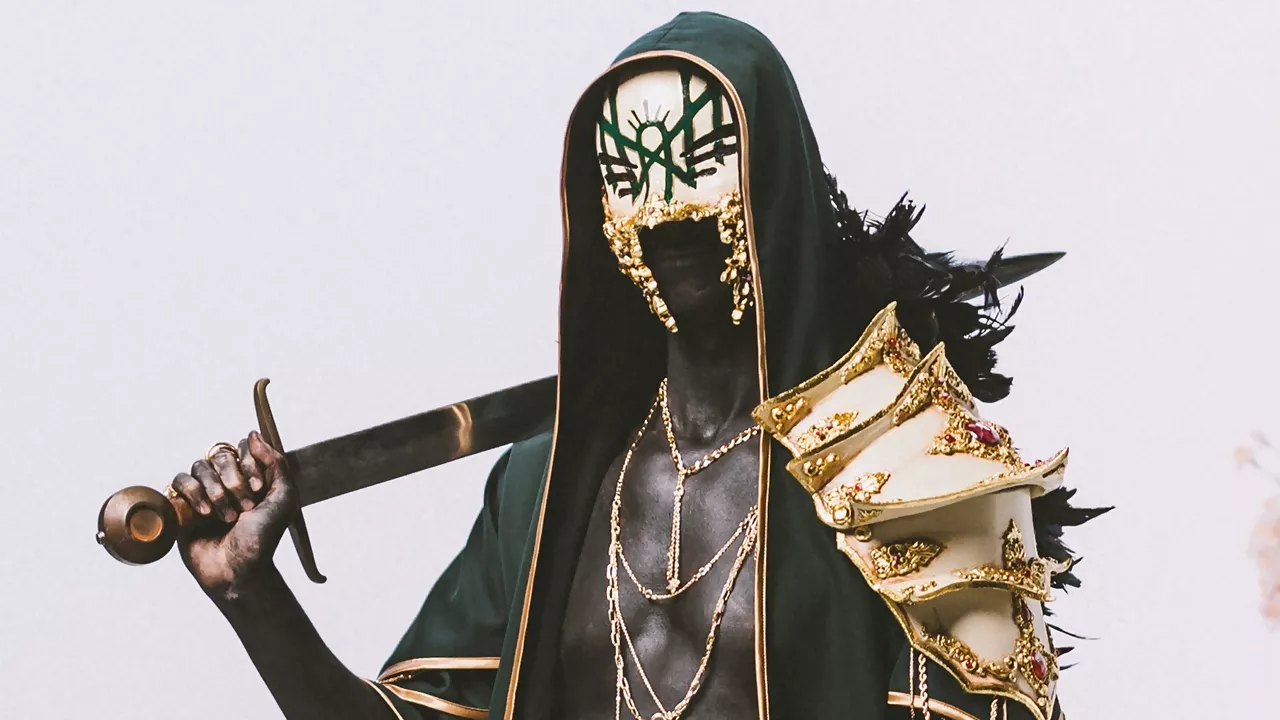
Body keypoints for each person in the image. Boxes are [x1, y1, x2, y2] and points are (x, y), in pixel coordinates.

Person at [166, 12, 1102, 720]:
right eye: (629, 172)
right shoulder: (539, 490)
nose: (667, 208)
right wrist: (250, 591)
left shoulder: (922, 472)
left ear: (771, 174)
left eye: (704, 156)